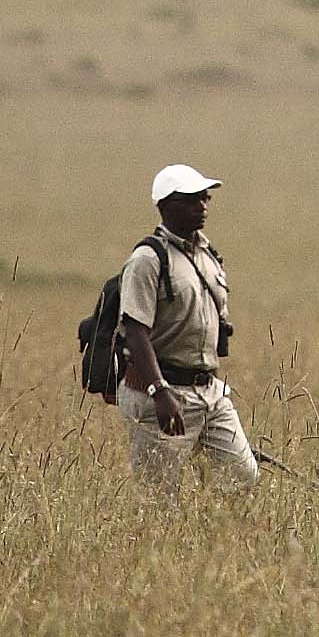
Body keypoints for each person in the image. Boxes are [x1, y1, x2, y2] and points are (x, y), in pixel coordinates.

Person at [103, 162, 259, 492]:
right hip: (160, 391)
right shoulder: (147, 259)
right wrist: (159, 392)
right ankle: (163, 543)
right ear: (164, 207)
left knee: (244, 477)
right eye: (189, 201)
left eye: (204, 199)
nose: (200, 207)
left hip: (209, 391)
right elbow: (135, 331)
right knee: (160, 498)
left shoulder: (208, 254)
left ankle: (220, 539)